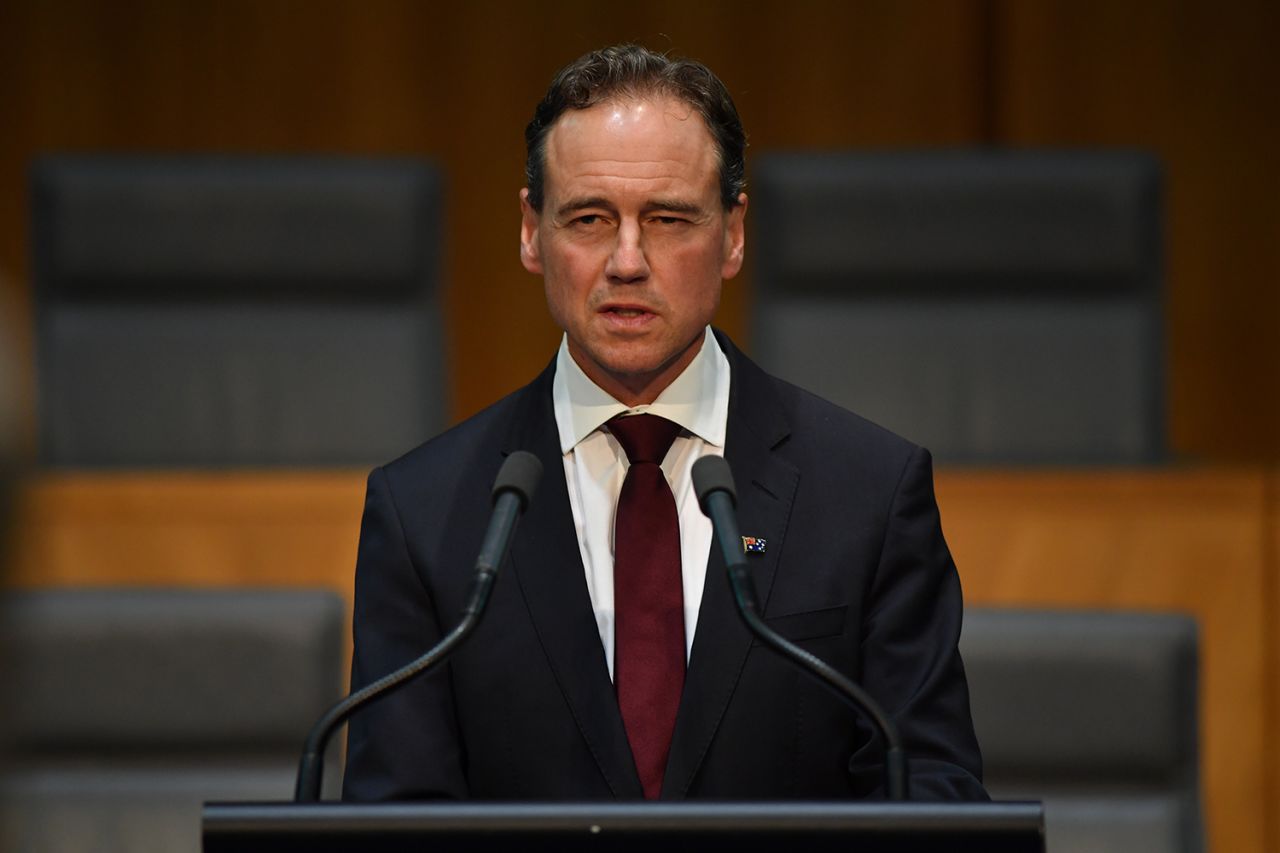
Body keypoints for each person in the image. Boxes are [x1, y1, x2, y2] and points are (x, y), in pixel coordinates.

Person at [342, 44, 986, 802]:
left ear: (734, 233)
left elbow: (932, 800)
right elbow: (394, 822)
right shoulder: (424, 513)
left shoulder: (870, 494)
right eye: (588, 218)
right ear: (530, 231)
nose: (626, 261)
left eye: (668, 218)